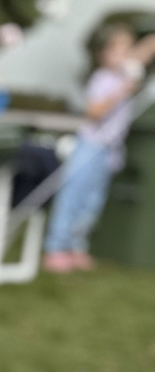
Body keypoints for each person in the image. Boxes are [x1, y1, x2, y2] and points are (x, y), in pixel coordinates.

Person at [44, 21, 155, 272]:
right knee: (73, 195)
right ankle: (55, 247)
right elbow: (94, 112)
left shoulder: (126, 75)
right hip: (90, 145)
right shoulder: (103, 79)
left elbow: (146, 49)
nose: (126, 56)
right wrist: (121, 92)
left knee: (93, 201)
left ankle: (76, 246)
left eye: (129, 51)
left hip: (109, 150)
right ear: (105, 54)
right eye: (120, 51)